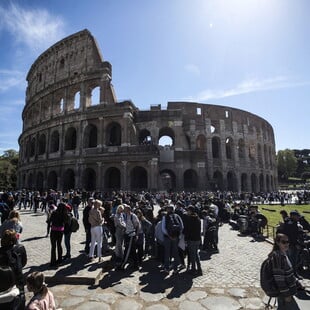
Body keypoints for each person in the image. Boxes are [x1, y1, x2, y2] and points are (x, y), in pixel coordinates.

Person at [268, 233, 300, 310]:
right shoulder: (277, 256)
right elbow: (279, 279)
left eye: (287, 241)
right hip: (284, 293)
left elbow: (288, 273)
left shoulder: (283, 254)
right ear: (278, 242)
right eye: (284, 242)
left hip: (287, 291)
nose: (287, 244)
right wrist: (286, 294)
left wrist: (296, 283)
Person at [0, 229, 27, 310]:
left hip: (5, 282)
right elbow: (24, 262)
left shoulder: (0, 251)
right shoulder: (20, 248)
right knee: (20, 301)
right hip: (19, 280)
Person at [161, 204, 183, 274]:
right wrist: (178, 235)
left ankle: (167, 268)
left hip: (168, 237)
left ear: (167, 209)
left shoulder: (165, 217)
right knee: (175, 253)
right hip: (176, 237)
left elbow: (163, 228)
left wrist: (169, 235)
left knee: (167, 253)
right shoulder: (177, 216)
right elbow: (182, 226)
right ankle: (175, 269)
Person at [183, 205, 202, 275]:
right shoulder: (198, 218)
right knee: (196, 254)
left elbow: (187, 230)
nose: (187, 212)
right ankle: (199, 269)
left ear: (190, 211)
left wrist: (185, 237)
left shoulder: (190, 219)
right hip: (197, 239)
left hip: (192, 239)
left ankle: (193, 269)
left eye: (188, 210)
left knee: (192, 255)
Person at [49, 202, 68, 267]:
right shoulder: (64, 214)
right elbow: (66, 222)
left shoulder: (54, 213)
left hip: (53, 230)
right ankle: (60, 260)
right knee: (59, 245)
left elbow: (49, 220)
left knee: (53, 246)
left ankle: (53, 261)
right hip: (60, 230)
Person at [121, 204, 140, 269]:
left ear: (129, 210)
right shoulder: (124, 215)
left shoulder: (133, 216)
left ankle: (122, 265)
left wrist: (136, 235)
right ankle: (136, 265)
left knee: (127, 250)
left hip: (131, 235)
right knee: (132, 250)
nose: (124, 210)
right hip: (126, 234)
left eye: (125, 209)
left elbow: (137, 225)